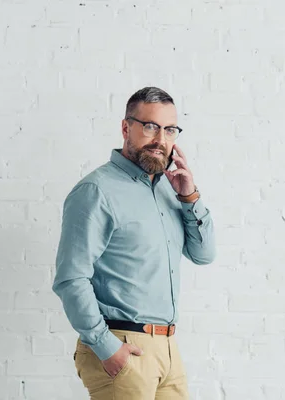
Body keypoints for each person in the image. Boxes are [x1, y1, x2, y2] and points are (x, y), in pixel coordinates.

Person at [52, 86, 216, 399]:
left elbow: (204, 254)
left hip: (167, 349)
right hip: (122, 344)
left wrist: (189, 196)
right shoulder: (96, 191)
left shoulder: (171, 190)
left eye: (169, 130)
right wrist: (105, 346)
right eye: (150, 126)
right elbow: (71, 278)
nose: (161, 139)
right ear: (126, 128)